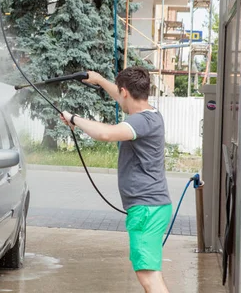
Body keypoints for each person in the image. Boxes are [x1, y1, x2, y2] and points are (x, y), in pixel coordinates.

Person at [60, 66, 172, 293]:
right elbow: (121, 96)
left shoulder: (140, 122)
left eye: (120, 93)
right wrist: (100, 80)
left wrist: (74, 118)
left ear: (125, 92)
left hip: (146, 209)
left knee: (148, 277)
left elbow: (106, 134)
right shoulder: (151, 113)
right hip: (152, 207)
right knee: (150, 273)